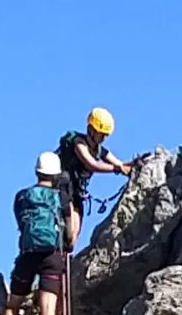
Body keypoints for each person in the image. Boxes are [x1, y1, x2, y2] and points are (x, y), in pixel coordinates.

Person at [10, 154, 71, 315]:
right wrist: (67, 242)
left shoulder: (21, 196)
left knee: (13, 304)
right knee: (48, 307)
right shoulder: (61, 198)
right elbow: (69, 231)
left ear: (37, 172)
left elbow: (20, 223)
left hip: (27, 254)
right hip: (52, 256)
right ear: (55, 175)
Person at [57, 108, 134, 253]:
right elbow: (91, 164)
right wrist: (117, 169)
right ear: (91, 130)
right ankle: (58, 261)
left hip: (77, 193)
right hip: (64, 190)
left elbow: (120, 164)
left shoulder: (100, 150)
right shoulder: (78, 143)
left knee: (73, 239)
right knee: (68, 233)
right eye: (102, 134)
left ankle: (63, 262)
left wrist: (134, 164)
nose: (104, 138)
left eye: (106, 135)